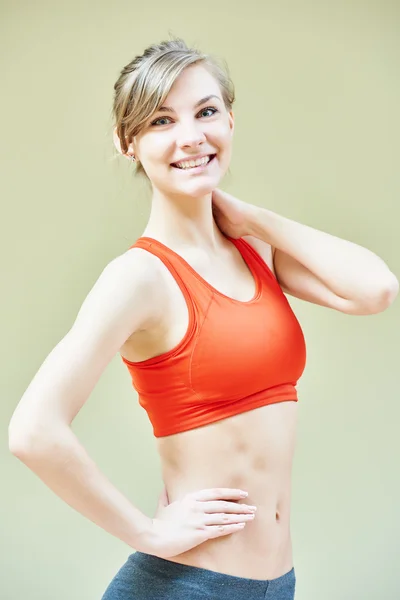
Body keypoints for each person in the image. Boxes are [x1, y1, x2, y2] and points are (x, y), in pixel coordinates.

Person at [8, 38, 398, 600]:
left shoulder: (254, 251)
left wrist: (252, 218)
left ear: (231, 122)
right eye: (162, 120)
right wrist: (145, 532)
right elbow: (33, 430)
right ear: (128, 142)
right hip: (190, 586)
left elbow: (377, 289)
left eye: (206, 112)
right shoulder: (139, 277)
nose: (191, 137)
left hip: (276, 584)